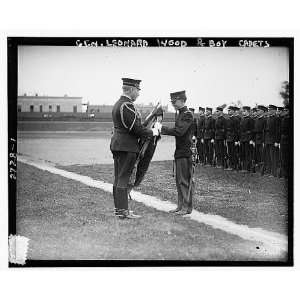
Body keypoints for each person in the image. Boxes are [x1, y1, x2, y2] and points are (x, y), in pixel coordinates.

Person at [110, 78, 160, 219]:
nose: (138, 94)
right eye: (137, 90)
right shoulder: (126, 105)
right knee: (123, 178)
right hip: (127, 146)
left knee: (119, 178)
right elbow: (135, 129)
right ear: (131, 89)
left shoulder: (118, 104)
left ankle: (119, 210)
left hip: (120, 145)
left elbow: (133, 126)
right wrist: (154, 132)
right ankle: (123, 211)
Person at [159, 91, 194, 215]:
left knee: (184, 180)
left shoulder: (187, 114)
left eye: (175, 102)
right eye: (172, 102)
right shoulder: (180, 114)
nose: (173, 104)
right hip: (180, 151)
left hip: (184, 152)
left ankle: (186, 207)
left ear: (182, 100)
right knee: (179, 180)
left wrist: (161, 129)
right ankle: (180, 206)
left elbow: (179, 132)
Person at [239, 106, 255, 172]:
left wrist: (251, 139)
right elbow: (240, 130)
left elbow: (252, 130)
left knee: (247, 153)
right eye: (243, 111)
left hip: (248, 138)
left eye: (244, 111)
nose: (243, 112)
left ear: (248, 111)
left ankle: (248, 168)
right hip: (242, 138)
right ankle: (244, 167)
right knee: (243, 153)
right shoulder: (242, 119)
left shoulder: (250, 119)